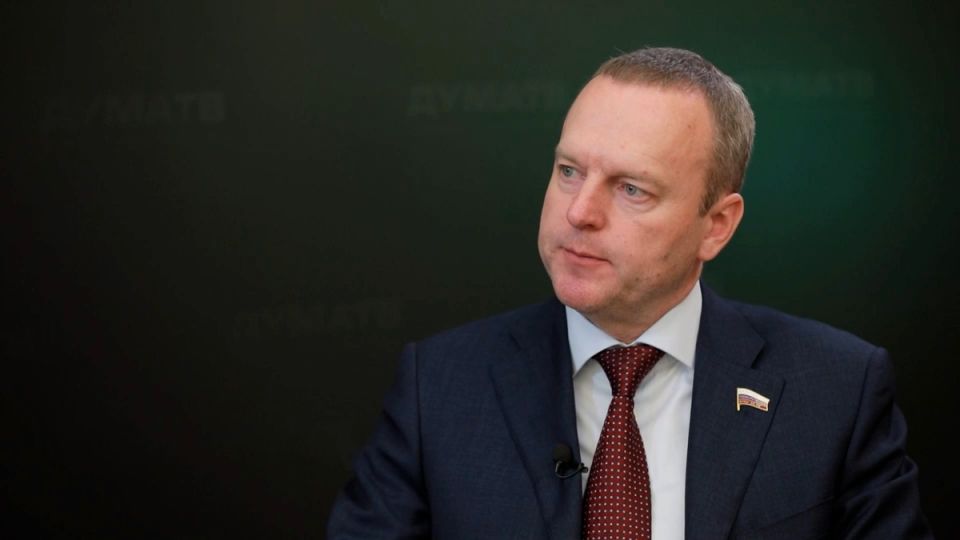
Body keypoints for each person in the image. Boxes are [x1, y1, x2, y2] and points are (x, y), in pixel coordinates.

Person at [326, 47, 931, 539]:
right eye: (569, 172)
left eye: (631, 189)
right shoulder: (439, 387)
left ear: (716, 225)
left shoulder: (837, 389)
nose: (579, 212)